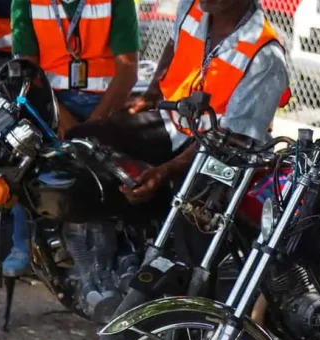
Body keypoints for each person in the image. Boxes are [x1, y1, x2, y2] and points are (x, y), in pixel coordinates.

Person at [66, 0, 290, 205]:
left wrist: (165, 172)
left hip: (225, 153)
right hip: (176, 125)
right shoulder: (192, 6)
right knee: (85, 141)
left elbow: (232, 137)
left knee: (189, 206)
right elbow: (175, 42)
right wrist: (151, 95)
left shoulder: (265, 57)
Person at [0, 0, 141, 276]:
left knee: (115, 171)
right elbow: (28, 71)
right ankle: (22, 245)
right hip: (50, 101)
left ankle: (123, 248)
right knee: (18, 160)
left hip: (104, 102)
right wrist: (59, 115)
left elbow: (127, 72)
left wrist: (94, 125)